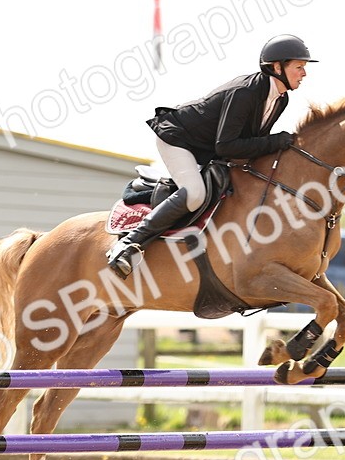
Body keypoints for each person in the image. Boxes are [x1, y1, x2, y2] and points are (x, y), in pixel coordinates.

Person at [106, 34, 317, 278]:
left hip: (209, 149)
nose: (304, 74)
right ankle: (128, 244)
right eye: (299, 67)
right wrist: (275, 141)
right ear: (277, 67)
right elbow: (227, 146)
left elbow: (251, 144)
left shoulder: (281, 99)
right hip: (180, 140)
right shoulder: (245, 92)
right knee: (195, 194)